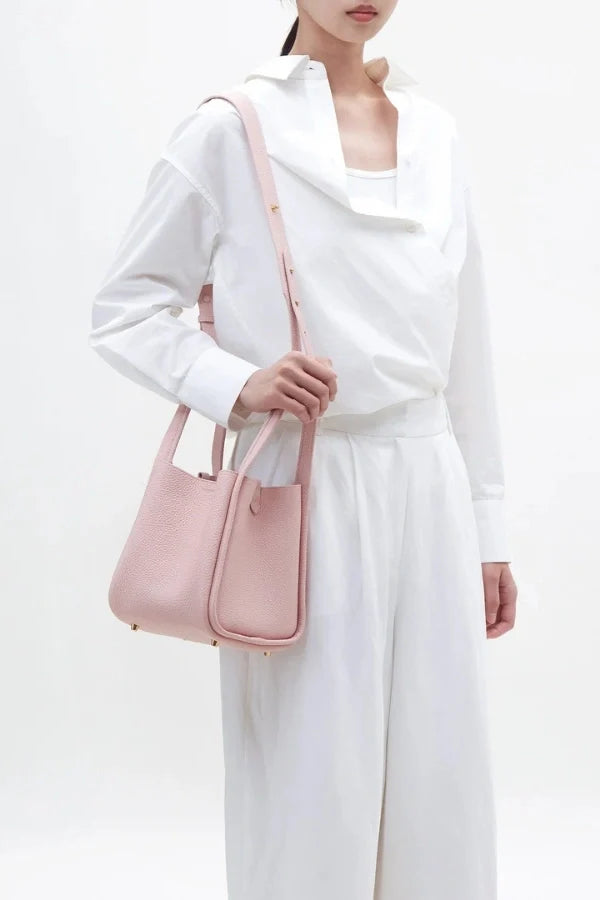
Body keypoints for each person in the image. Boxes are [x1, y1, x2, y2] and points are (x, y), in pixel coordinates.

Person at [89, 2, 519, 897]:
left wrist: (488, 529)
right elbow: (125, 309)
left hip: (429, 482)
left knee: (440, 782)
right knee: (309, 781)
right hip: (298, 487)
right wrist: (235, 382)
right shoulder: (231, 127)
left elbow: (465, 351)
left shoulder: (436, 133)